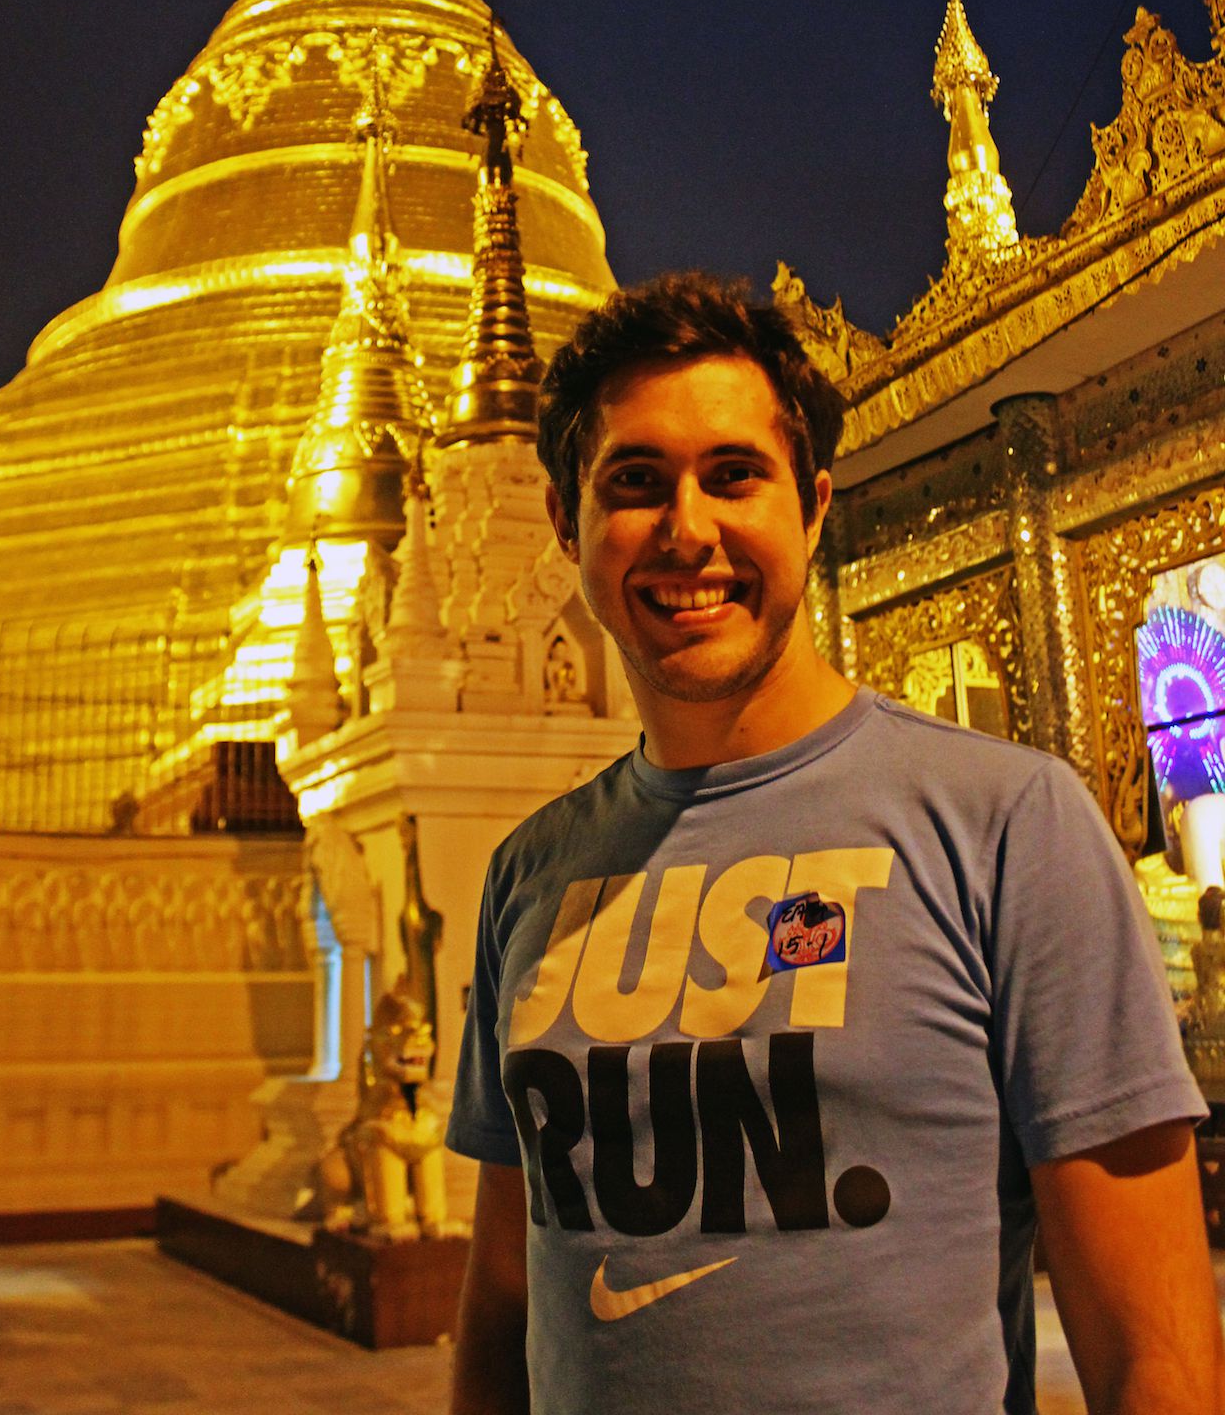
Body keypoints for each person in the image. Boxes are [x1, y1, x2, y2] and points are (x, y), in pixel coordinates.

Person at [447, 272, 1222, 1415]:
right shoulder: (531, 873)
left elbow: (1153, 1349)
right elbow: (508, 1294)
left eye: (734, 476)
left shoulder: (1008, 827)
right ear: (567, 525)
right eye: (636, 482)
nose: (688, 529)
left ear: (811, 507)